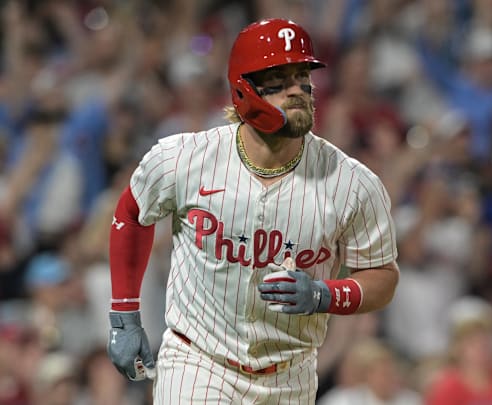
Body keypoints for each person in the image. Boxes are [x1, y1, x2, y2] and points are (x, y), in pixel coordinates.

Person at [105, 18, 399, 404]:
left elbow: (382, 276)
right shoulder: (185, 158)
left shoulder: (352, 183)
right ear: (245, 89)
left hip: (289, 373)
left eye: (302, 78)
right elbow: (132, 212)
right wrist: (124, 314)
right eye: (280, 81)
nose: (297, 91)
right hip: (198, 359)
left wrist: (326, 294)